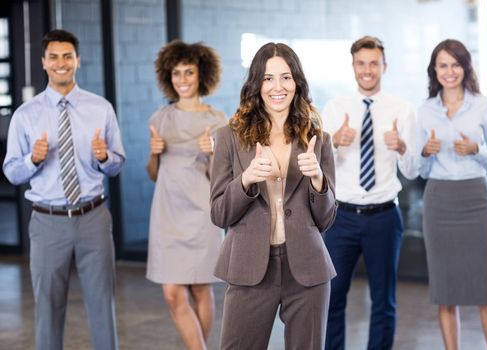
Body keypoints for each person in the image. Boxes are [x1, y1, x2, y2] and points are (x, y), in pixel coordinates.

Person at [2, 29, 125, 350]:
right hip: (47, 222)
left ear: (77, 61)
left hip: (93, 217)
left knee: (103, 306)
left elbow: (117, 164)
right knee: (48, 309)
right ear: (43, 62)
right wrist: (32, 159)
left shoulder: (101, 108)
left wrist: (104, 156)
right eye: (53, 57)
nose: (61, 63)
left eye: (67, 56)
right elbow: (12, 172)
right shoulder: (25, 115)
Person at [209, 42, 337, 349]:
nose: (277, 87)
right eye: (268, 78)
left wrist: (318, 180)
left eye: (286, 77)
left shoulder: (318, 139)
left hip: (307, 270)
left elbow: (327, 219)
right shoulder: (228, 137)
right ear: (256, 83)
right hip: (250, 268)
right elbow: (219, 214)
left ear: (297, 83)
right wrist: (247, 179)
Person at [322, 36, 419, 350]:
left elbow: (414, 169)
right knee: (332, 298)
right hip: (341, 218)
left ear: (384, 66)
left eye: (373, 63)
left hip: (383, 217)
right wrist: (335, 142)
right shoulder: (335, 108)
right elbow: (319, 167)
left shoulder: (402, 110)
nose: (367, 70)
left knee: (384, 301)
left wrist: (401, 147)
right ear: (353, 67)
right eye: (361, 63)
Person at [417, 39, 487, 350]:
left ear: (466, 67)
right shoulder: (425, 110)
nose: (450, 71)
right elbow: (419, 170)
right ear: (435, 70)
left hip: (476, 200)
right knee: (445, 295)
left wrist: (476, 149)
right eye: (443, 65)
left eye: (456, 64)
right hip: (439, 202)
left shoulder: (484, 105)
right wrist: (425, 153)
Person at [145, 40, 226, 350]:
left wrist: (214, 153)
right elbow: (154, 173)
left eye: (188, 72)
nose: (182, 79)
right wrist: (154, 154)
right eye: (176, 73)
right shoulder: (160, 119)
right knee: (172, 292)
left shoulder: (218, 121)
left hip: (202, 212)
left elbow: (224, 179)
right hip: (167, 212)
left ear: (201, 74)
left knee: (200, 290)